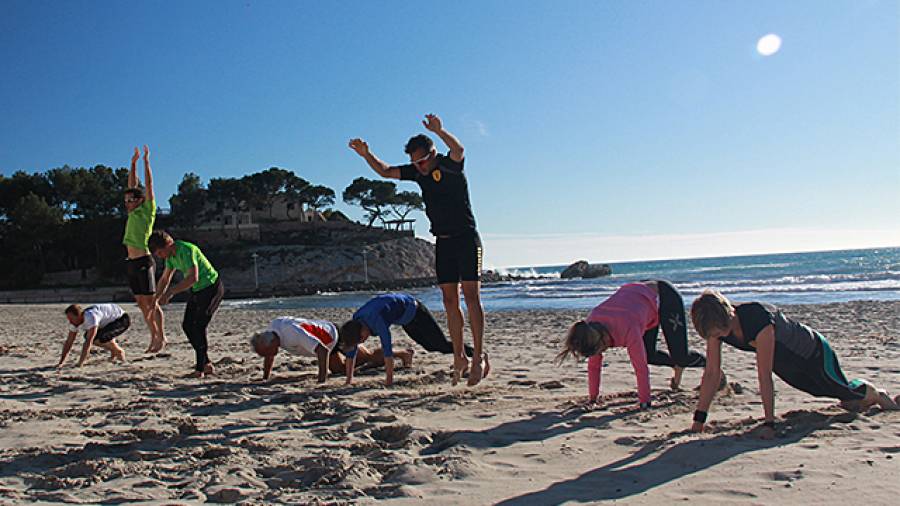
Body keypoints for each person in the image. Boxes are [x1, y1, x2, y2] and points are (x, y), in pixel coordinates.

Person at [349, 114, 488, 386]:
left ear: (433, 153)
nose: (419, 167)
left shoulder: (450, 165)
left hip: (467, 239)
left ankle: (478, 356)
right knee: (450, 301)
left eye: (422, 160)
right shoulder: (417, 172)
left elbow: (459, 150)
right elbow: (385, 171)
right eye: (415, 162)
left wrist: (440, 130)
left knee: (471, 297)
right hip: (444, 242)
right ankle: (459, 356)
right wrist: (367, 154)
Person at [689, 289, 900, 439]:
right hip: (786, 363)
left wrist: (770, 424)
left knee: (845, 394)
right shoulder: (714, 328)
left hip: (813, 352)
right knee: (842, 401)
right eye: (712, 334)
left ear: (728, 314)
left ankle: (879, 395)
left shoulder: (757, 319)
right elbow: (711, 374)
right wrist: (699, 421)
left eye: (719, 331)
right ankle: (864, 396)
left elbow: (763, 376)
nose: (717, 336)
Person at [557, 280, 708, 409]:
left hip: (663, 296)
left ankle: (712, 366)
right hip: (639, 302)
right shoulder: (589, 328)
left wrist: (644, 402)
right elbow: (594, 367)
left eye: (600, 349)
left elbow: (640, 368)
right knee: (650, 355)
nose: (601, 353)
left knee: (680, 356)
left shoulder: (626, 328)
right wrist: (593, 398)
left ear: (602, 339)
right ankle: (676, 366)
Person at [338, 293, 482, 387]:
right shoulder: (356, 323)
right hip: (406, 320)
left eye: (362, 338)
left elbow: (388, 353)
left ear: (362, 329)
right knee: (429, 347)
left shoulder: (377, 321)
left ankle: (474, 353)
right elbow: (352, 351)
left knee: (440, 345)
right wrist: (348, 381)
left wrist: (389, 382)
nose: (363, 341)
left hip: (416, 311)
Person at [149, 230, 223, 378]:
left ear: (168, 245)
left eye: (159, 253)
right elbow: (165, 279)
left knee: (199, 326)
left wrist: (170, 293)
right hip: (197, 291)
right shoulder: (170, 258)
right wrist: (155, 298)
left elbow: (192, 278)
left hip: (211, 288)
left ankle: (200, 369)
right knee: (188, 325)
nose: (159, 257)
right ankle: (206, 363)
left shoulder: (186, 250)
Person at [250, 316, 414, 382]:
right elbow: (269, 356)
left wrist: (321, 381)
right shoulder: (271, 334)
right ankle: (362, 366)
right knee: (340, 370)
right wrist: (265, 377)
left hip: (335, 335)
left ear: (271, 343)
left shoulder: (292, 334)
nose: (268, 355)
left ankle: (403, 354)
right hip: (326, 342)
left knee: (367, 356)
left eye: (266, 351)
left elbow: (322, 351)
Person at [122, 145, 166, 353]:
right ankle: (153, 337)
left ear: (140, 201)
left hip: (144, 261)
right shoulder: (131, 214)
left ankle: (161, 336)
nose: (128, 203)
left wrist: (146, 162)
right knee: (141, 304)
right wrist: (132, 164)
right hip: (131, 262)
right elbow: (132, 185)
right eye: (126, 200)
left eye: (131, 200)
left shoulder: (147, 211)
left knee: (151, 302)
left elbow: (148, 185)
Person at [57, 304, 129, 367]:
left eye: (71, 319)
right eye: (69, 319)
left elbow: (89, 342)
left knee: (97, 339)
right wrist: (61, 362)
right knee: (89, 336)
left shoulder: (91, 317)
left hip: (121, 319)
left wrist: (80, 363)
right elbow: (69, 342)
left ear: (79, 315)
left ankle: (118, 351)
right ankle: (114, 352)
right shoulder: (74, 323)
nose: (70, 321)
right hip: (107, 321)